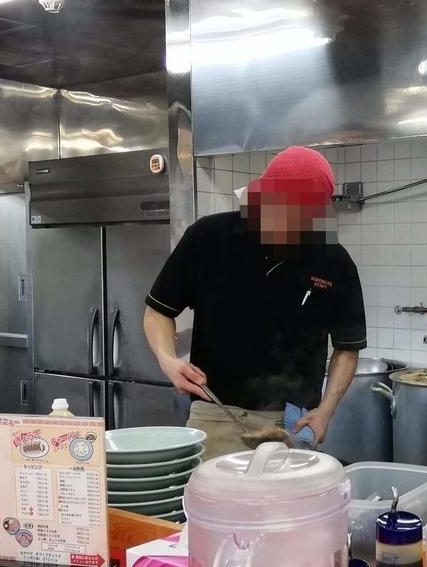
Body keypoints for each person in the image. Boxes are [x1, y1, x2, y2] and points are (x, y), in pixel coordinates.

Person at [143, 146, 366, 457]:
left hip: (294, 422)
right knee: (213, 502)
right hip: (217, 414)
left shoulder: (333, 260)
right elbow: (158, 311)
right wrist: (167, 359)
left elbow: (347, 346)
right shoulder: (209, 237)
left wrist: (326, 410)